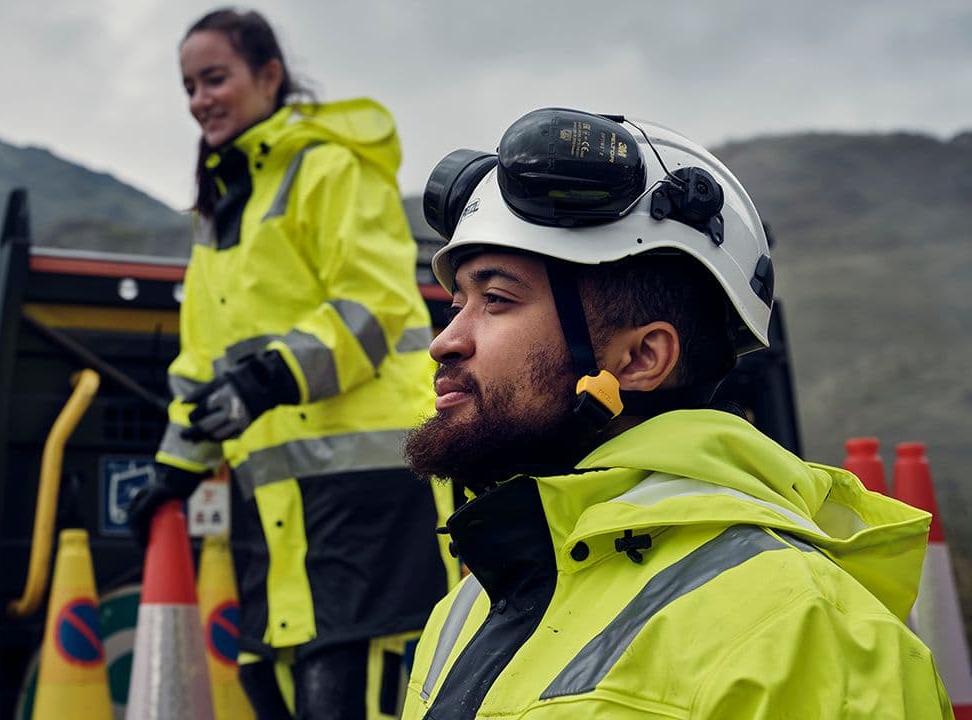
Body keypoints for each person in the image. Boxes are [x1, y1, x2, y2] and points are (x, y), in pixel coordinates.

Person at [399, 107, 953, 718]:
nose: (445, 340)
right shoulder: (469, 606)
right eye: (458, 303)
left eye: (496, 300)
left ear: (640, 358)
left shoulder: (802, 628)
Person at [126, 8, 457, 719]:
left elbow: (374, 305)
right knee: (271, 685)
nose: (200, 101)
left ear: (269, 75)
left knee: (349, 693)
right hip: (274, 500)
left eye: (215, 79)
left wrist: (270, 377)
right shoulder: (219, 207)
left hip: (366, 489)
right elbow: (203, 362)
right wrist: (173, 467)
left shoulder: (331, 165)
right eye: (188, 87)